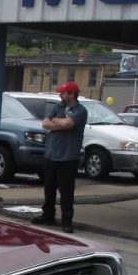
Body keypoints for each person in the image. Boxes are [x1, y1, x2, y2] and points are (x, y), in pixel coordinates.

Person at [31, 81, 88, 233]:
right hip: (51, 154)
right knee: (49, 188)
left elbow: (67, 124)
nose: (60, 95)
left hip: (68, 157)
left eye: (63, 92)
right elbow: (45, 124)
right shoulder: (58, 107)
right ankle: (48, 215)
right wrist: (58, 123)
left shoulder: (80, 111)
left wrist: (57, 122)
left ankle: (66, 221)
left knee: (66, 191)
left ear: (71, 94)